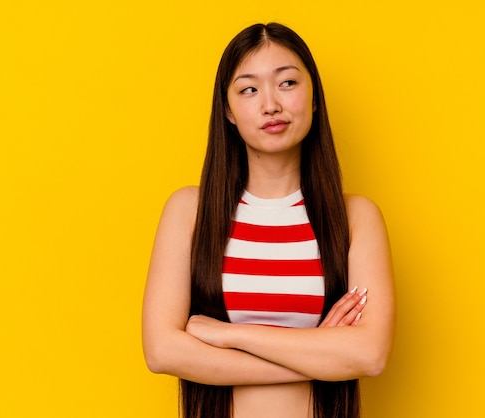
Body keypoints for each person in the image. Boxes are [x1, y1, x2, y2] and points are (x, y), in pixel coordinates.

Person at [142, 22, 395, 418]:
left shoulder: (355, 218)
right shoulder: (189, 212)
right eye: (249, 89)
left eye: (288, 83)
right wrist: (317, 353)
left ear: (314, 97)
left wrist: (229, 335)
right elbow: (161, 351)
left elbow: (370, 355)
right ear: (227, 110)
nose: (270, 105)